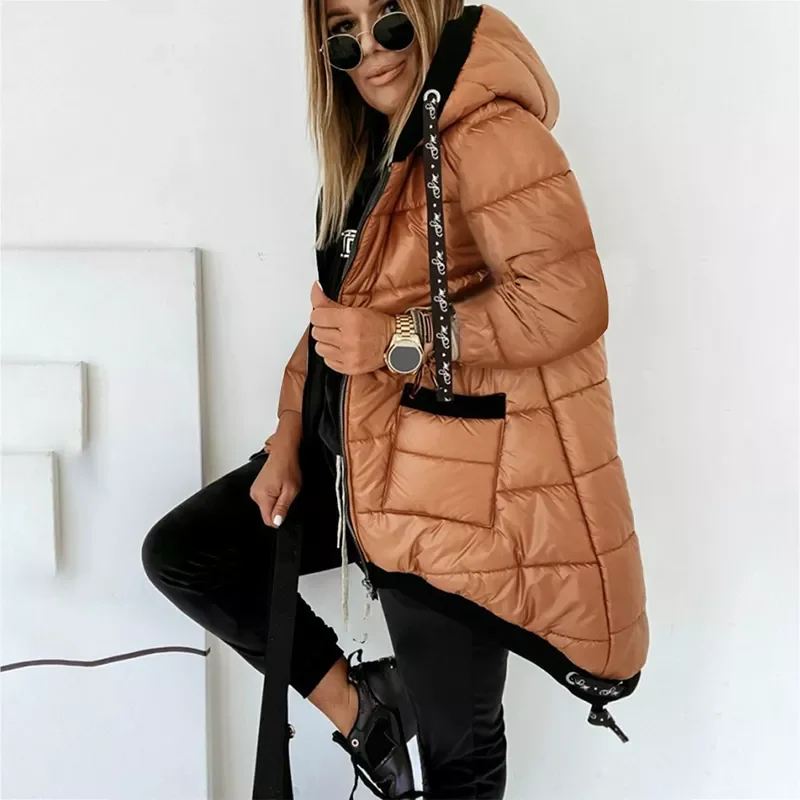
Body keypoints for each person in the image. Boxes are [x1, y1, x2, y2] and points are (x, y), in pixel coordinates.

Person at [141, 2, 650, 798]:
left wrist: (396, 341)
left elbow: (566, 302)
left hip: (451, 490)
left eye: (389, 20)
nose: (370, 50)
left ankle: (381, 713)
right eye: (343, 34)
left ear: (430, 10)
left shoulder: (489, 132)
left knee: (460, 755)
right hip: (360, 464)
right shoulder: (378, 150)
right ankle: (365, 711)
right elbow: (337, 319)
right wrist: (286, 434)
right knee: (187, 553)